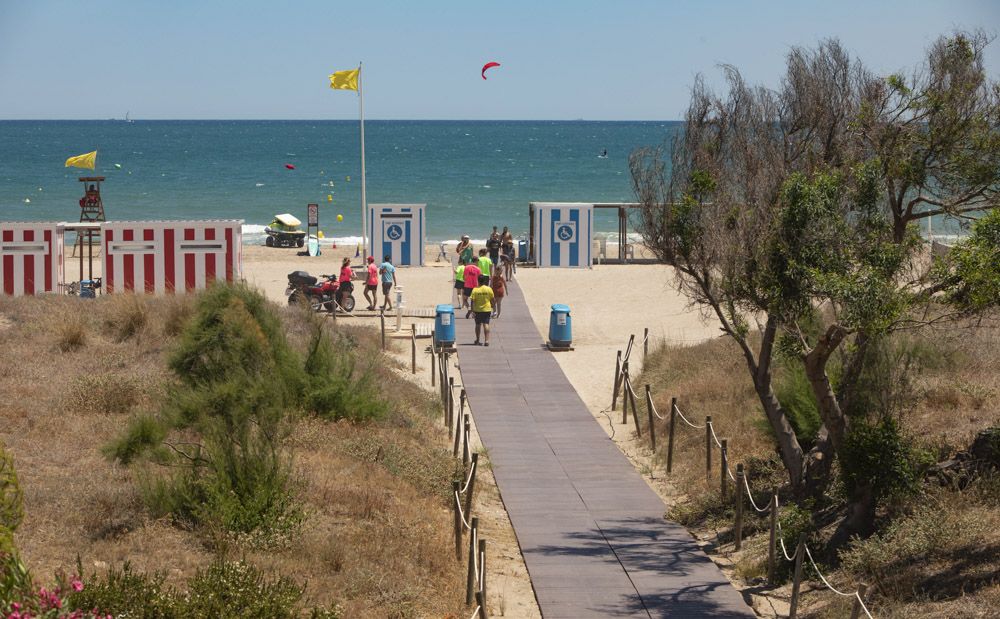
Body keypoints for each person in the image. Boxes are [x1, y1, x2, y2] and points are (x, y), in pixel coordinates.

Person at [470, 275, 495, 346]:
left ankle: (477, 340)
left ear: (478, 281)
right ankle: (486, 341)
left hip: (477, 310)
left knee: (478, 324)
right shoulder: (489, 289)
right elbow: (493, 299)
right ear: (484, 281)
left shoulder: (475, 289)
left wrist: (472, 310)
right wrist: (493, 306)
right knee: (486, 324)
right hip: (487, 309)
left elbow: (472, 301)